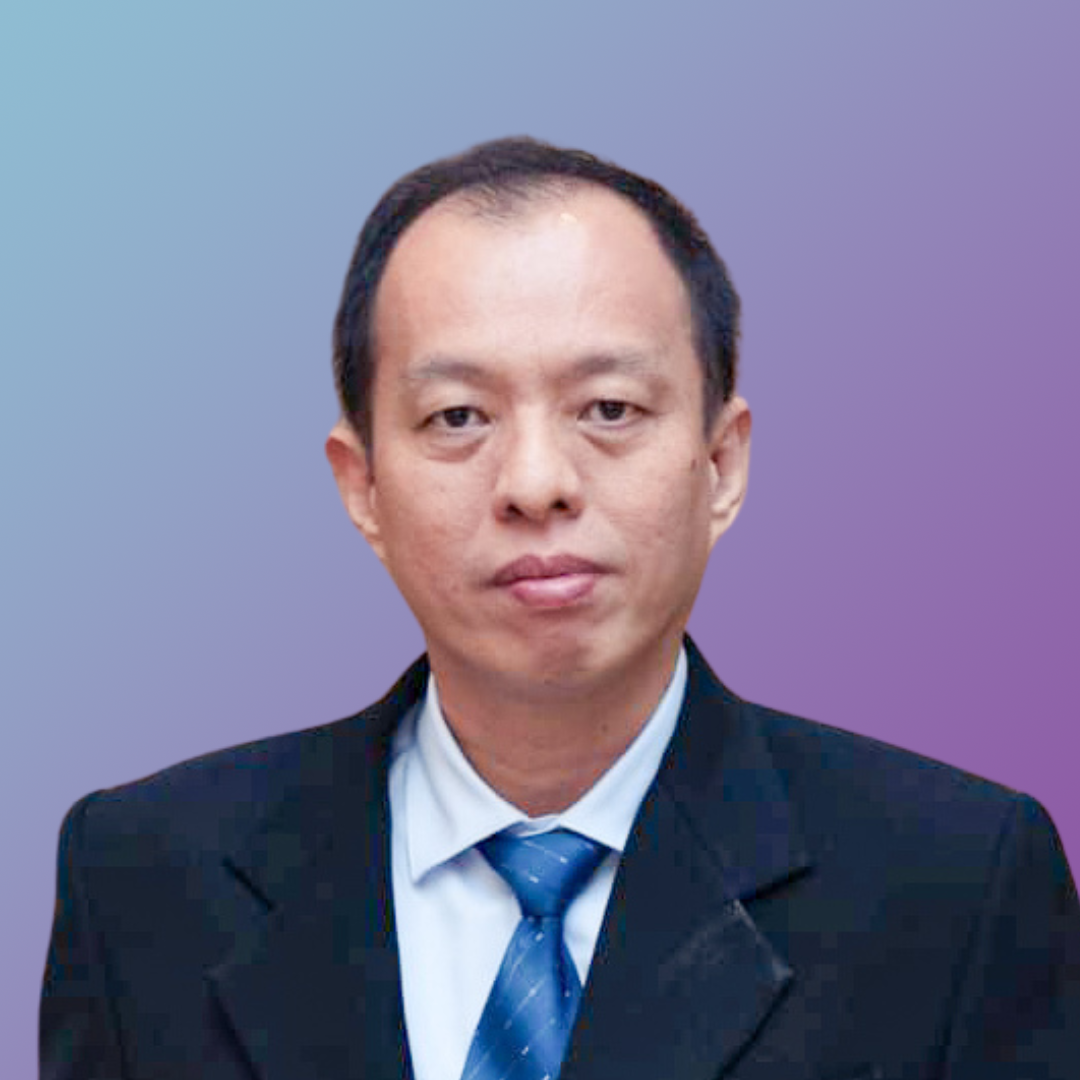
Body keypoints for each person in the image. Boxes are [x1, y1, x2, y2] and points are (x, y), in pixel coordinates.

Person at [41, 137, 1080, 1080]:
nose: (536, 483)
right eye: (458, 416)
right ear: (363, 486)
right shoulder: (144, 880)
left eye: (609, 409)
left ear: (721, 463)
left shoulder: (955, 885)